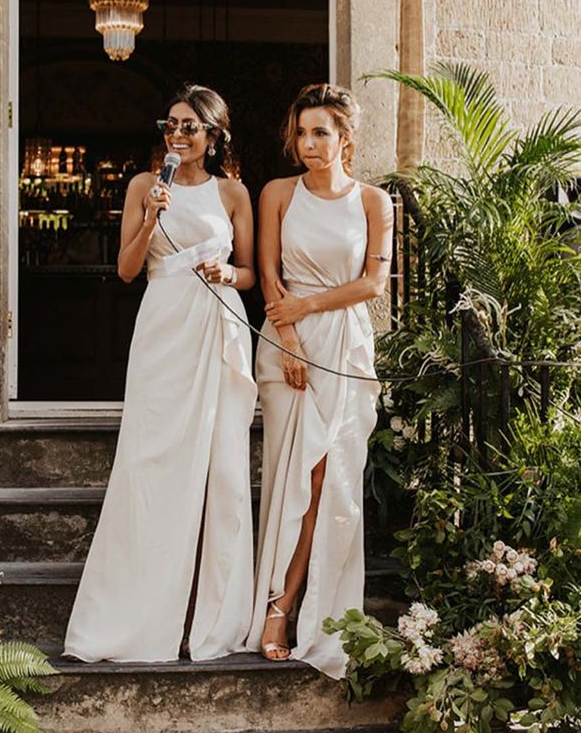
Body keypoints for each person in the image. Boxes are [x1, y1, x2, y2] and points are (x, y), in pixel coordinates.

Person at [64, 84, 257, 663]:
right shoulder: (144, 186)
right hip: (162, 327)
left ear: (213, 136)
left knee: (220, 467)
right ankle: (139, 614)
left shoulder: (234, 193)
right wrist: (149, 219)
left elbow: (253, 274)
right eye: (170, 125)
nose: (176, 135)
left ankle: (210, 614)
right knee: (149, 465)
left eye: (189, 127)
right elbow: (126, 269)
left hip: (216, 327)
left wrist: (226, 274)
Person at [246, 83, 393, 678]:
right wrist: (288, 339)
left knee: (334, 480)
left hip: (345, 345)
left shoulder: (374, 202)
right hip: (287, 345)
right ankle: (277, 605)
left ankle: (315, 608)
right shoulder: (278, 193)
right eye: (302, 133)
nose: (308, 144)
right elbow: (267, 272)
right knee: (295, 474)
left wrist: (307, 313)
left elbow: (372, 285)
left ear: (345, 139)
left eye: (321, 133)